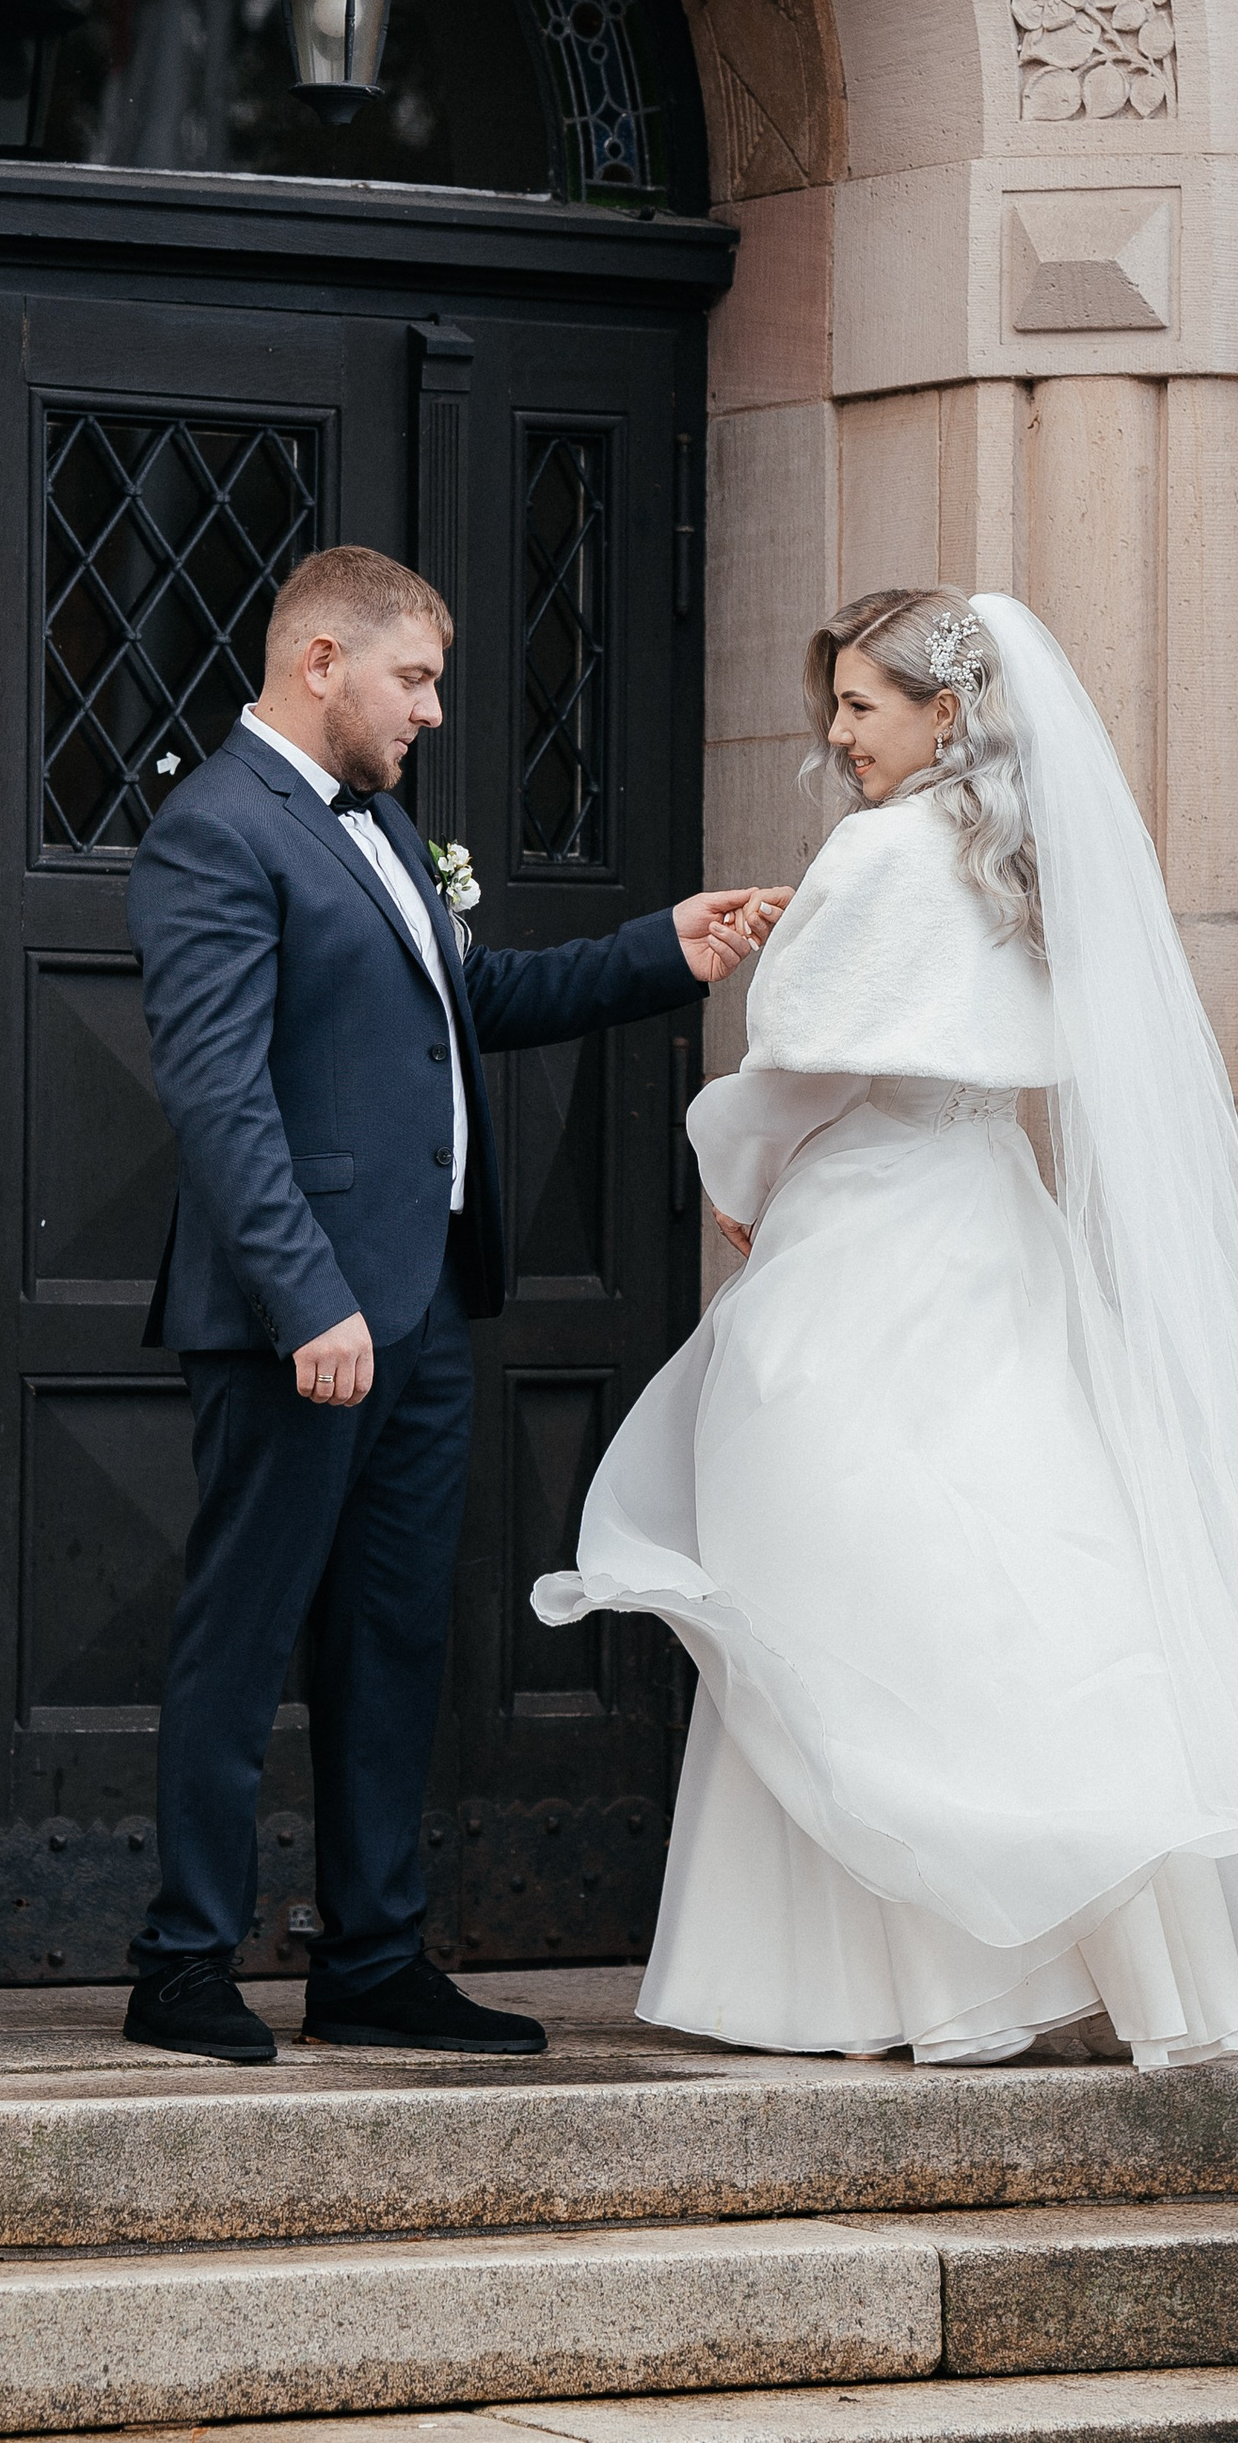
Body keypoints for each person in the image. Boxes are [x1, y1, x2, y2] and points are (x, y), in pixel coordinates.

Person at [536, 587, 1238, 2067]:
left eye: (862, 704)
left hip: (866, 1240)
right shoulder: (1025, 863)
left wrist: (733, 1170)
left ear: (946, 714)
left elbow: (795, 1076)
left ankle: (875, 1980)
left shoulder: (879, 855)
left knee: (835, 1584)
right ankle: (1107, 1950)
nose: (836, 733)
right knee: (1021, 1558)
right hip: (989, 1219)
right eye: (837, 703)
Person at [124, 543, 789, 2064]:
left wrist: (660, 955)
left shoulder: (380, 828)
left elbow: (458, 1009)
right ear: (322, 664)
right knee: (244, 1630)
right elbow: (220, 1095)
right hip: (301, 1320)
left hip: (417, 1309)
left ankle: (371, 1958)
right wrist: (308, 1299)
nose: (429, 710)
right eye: (412, 678)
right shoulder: (217, 831)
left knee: (392, 1634)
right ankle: (180, 1964)